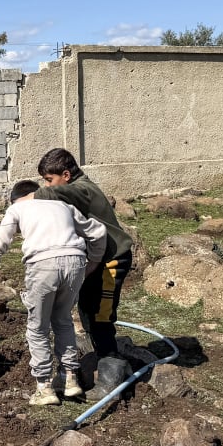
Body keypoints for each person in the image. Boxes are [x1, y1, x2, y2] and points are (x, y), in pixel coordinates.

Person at [0, 179, 106, 406]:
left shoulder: (17, 208)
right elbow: (97, 231)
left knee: (38, 327)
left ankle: (44, 387)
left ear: (18, 198)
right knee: (64, 320)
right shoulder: (64, 206)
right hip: (75, 261)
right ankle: (70, 380)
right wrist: (93, 261)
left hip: (43, 264)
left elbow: (1, 238)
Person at [34, 148, 134, 362]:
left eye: (50, 179)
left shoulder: (83, 189)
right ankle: (97, 349)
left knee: (101, 313)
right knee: (87, 305)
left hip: (112, 260)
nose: (48, 185)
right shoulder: (78, 188)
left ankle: (110, 361)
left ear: (66, 176)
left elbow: (48, 194)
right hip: (97, 259)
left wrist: (27, 197)